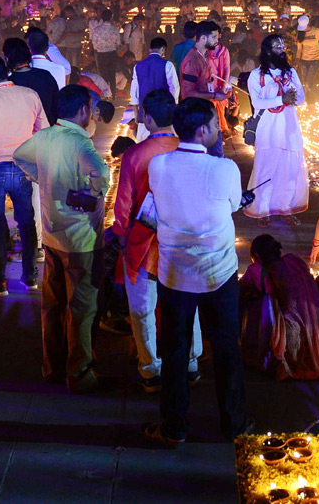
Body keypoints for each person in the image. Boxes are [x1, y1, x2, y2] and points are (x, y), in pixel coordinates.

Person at [138, 97, 252, 446]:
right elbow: (232, 205)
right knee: (226, 349)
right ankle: (234, 424)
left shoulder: (158, 165)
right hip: (217, 271)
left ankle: (174, 426)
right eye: (215, 127)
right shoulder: (224, 168)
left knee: (174, 349)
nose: (219, 132)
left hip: (175, 273)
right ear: (202, 130)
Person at [13, 84, 110, 392]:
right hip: (81, 238)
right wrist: (92, 194)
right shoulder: (82, 146)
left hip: (52, 235)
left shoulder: (43, 137)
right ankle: (80, 373)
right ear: (83, 111)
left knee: (52, 304)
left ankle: (52, 366)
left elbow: (19, 156)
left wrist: (43, 179)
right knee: (82, 308)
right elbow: (102, 177)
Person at [113, 89, 202, 393]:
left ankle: (150, 368)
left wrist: (121, 236)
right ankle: (190, 363)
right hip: (182, 239)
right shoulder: (187, 149)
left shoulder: (136, 154)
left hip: (144, 241)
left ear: (146, 118)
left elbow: (124, 203)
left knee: (142, 307)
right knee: (185, 303)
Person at [0, 55, 48, 296]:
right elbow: (42, 129)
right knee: (26, 221)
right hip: (23, 166)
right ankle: (30, 276)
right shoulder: (30, 94)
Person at [239, 234, 319, 383]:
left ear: (256, 255)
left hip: (289, 330)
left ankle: (261, 353)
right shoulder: (295, 261)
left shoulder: (258, 268)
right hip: (316, 325)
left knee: (263, 302)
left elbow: (240, 289)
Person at [246, 34, 309, 224]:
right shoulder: (256, 75)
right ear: (267, 51)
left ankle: (286, 208)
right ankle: (262, 210)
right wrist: (281, 99)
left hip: (289, 126)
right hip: (268, 129)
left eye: (283, 46)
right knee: (265, 170)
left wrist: (292, 94)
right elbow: (256, 102)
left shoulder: (290, 72)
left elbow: (301, 99)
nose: (282, 50)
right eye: (277, 47)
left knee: (289, 169)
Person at [178, 20, 230, 157]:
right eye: (213, 37)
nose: (216, 41)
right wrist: (214, 96)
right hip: (198, 115)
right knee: (213, 154)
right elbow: (187, 93)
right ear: (202, 38)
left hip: (205, 111)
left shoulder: (203, 56)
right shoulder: (193, 60)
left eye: (217, 37)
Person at [130, 36, 180, 141]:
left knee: (144, 143)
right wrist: (173, 105)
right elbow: (174, 87)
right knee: (166, 141)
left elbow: (134, 91)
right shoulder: (167, 65)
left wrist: (136, 112)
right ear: (163, 49)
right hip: (163, 109)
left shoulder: (138, 66)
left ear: (150, 49)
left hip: (144, 111)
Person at [4, 36, 60, 127]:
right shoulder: (45, 75)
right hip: (49, 131)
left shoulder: (10, 83)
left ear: (7, 59)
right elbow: (57, 106)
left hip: (23, 135)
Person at [88, 7, 122, 97]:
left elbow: (94, 42)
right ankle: (113, 93)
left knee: (103, 74)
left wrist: (98, 48)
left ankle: (105, 93)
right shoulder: (115, 29)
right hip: (112, 53)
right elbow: (118, 42)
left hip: (101, 54)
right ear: (111, 17)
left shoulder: (97, 29)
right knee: (112, 73)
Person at [294, 15, 319, 88]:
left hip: (315, 60)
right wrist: (297, 62)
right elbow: (299, 49)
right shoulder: (300, 34)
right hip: (303, 60)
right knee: (305, 83)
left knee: (309, 82)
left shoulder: (316, 31)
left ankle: (311, 98)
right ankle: (307, 97)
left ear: (308, 24)